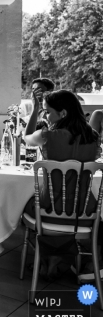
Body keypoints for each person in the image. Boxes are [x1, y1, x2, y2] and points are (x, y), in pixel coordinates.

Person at [23, 90, 101, 277]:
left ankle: (46, 256)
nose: (46, 116)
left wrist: (34, 110)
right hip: (85, 211)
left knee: (20, 208)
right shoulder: (93, 137)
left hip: (49, 208)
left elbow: (26, 138)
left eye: (47, 112)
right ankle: (61, 256)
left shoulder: (48, 136)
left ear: (63, 113)